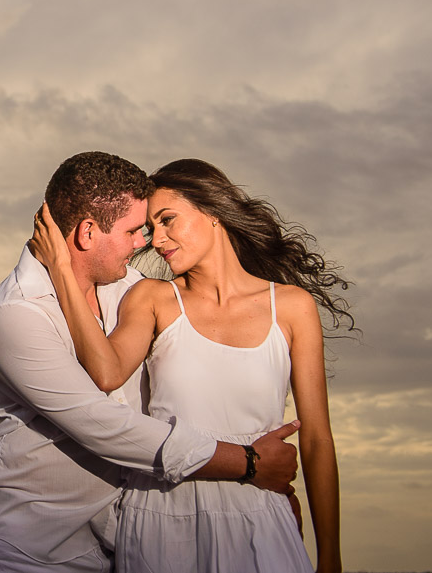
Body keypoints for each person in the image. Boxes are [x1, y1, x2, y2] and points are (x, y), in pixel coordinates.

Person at [0, 152, 302, 573]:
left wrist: (264, 502)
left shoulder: (130, 289)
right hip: (28, 550)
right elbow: (103, 426)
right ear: (86, 232)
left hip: (121, 541)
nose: (146, 242)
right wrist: (248, 463)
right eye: (135, 230)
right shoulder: (16, 313)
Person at [29, 158, 351, 573]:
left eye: (167, 221)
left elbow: (317, 442)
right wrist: (61, 272)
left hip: (258, 509)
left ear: (212, 213)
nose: (157, 240)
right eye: (149, 228)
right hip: (163, 518)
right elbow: (105, 373)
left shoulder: (291, 307)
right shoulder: (152, 298)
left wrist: (331, 557)